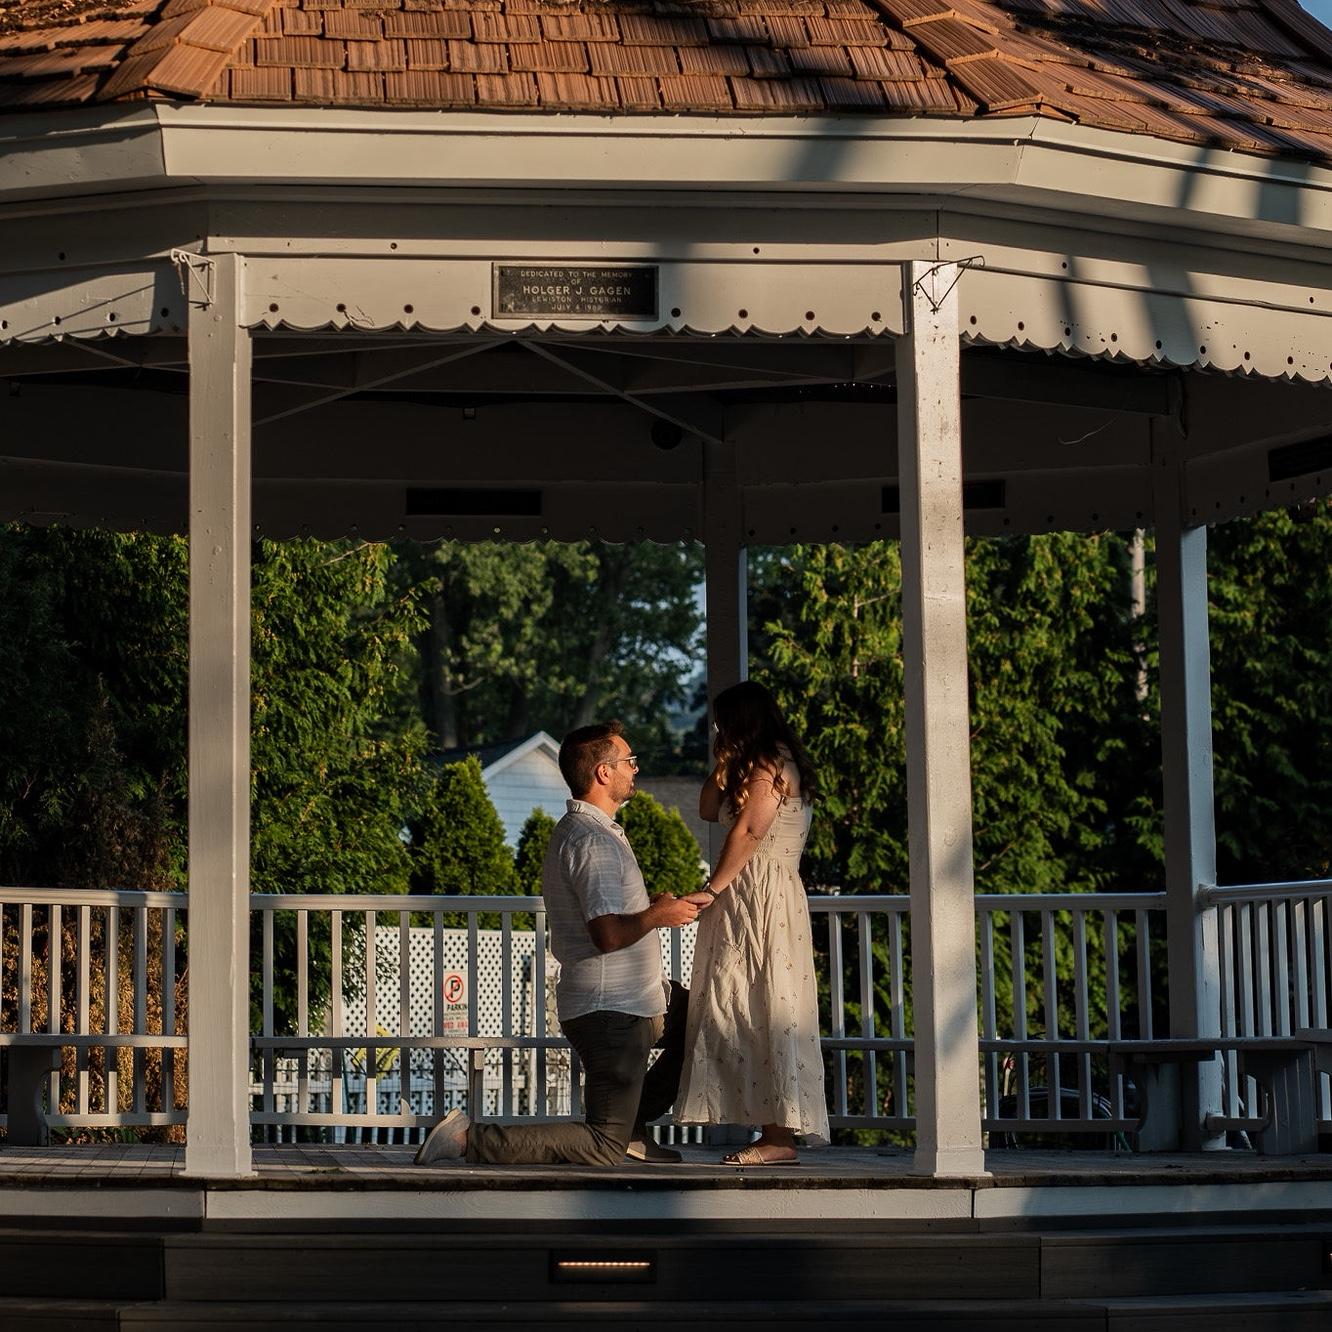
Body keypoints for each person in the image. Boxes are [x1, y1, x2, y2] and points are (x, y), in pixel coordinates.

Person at [415, 720, 709, 1167]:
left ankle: (631, 1123)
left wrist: (649, 906)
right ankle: (466, 1139)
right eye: (629, 761)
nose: (636, 769)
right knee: (602, 1146)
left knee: (707, 1016)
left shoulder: (594, 832)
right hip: (612, 1009)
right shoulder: (591, 841)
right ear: (604, 773)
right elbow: (607, 934)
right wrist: (658, 916)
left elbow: (606, 913)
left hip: (637, 998)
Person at [675, 680, 829, 1165]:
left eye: (723, 721)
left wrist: (713, 887)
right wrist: (723, 763)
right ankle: (769, 1128)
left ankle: (780, 1136)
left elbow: (750, 829)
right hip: (749, 893)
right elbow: (706, 808)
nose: (717, 728)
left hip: (760, 893)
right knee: (737, 1001)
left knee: (767, 1002)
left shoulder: (769, 765)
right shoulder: (749, 765)